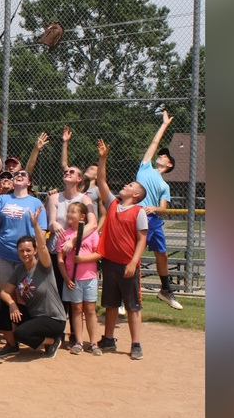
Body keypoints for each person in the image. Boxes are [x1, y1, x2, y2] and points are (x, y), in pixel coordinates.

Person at [95, 139, 149, 360]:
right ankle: (108, 340)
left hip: (128, 265)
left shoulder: (139, 211)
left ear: (136, 195)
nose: (126, 186)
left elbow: (142, 240)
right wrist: (102, 158)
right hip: (109, 263)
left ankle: (136, 344)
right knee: (109, 303)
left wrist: (132, 263)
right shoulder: (113, 204)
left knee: (133, 306)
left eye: (131, 186)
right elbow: (101, 181)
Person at [0, 168, 47, 350]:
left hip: (26, 258)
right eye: (16, 174)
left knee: (25, 296)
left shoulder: (35, 202)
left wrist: (37, 256)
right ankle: (11, 340)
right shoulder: (3, 199)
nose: (19, 175)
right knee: (6, 295)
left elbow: (42, 231)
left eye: (23, 174)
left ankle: (25, 333)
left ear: (29, 182)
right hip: (3, 254)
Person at [0, 207, 67, 358]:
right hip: (34, 316)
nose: (25, 254)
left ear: (35, 251)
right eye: (21, 251)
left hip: (53, 319)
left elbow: (43, 246)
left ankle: (53, 340)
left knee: (22, 334)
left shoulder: (43, 266)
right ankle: (11, 346)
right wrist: (12, 304)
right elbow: (4, 292)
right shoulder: (20, 271)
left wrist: (36, 225)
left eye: (29, 250)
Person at [138, 111, 184, 310]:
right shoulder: (145, 168)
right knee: (134, 255)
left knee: (162, 255)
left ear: (169, 164)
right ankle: (123, 297)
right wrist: (164, 125)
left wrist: (154, 207)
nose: (161, 155)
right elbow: (155, 143)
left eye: (165, 156)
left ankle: (165, 290)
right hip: (139, 216)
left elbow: (163, 209)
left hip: (154, 219)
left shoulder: (165, 186)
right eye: (161, 154)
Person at [48, 158, 98, 339]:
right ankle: (58, 331)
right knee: (60, 292)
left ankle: (75, 335)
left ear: (79, 179)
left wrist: (74, 240)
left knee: (76, 297)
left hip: (75, 249)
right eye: (65, 171)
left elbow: (92, 224)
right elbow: (52, 221)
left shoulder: (84, 198)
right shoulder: (55, 197)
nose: (67, 173)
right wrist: (54, 225)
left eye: (72, 172)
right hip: (58, 250)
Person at [55, 201, 103, 355]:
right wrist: (66, 278)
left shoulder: (91, 234)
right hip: (72, 279)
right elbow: (60, 259)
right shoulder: (65, 234)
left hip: (89, 277)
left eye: (73, 212)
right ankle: (78, 341)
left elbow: (99, 254)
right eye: (68, 211)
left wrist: (83, 259)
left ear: (82, 216)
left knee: (90, 309)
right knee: (76, 309)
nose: (69, 214)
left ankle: (94, 342)